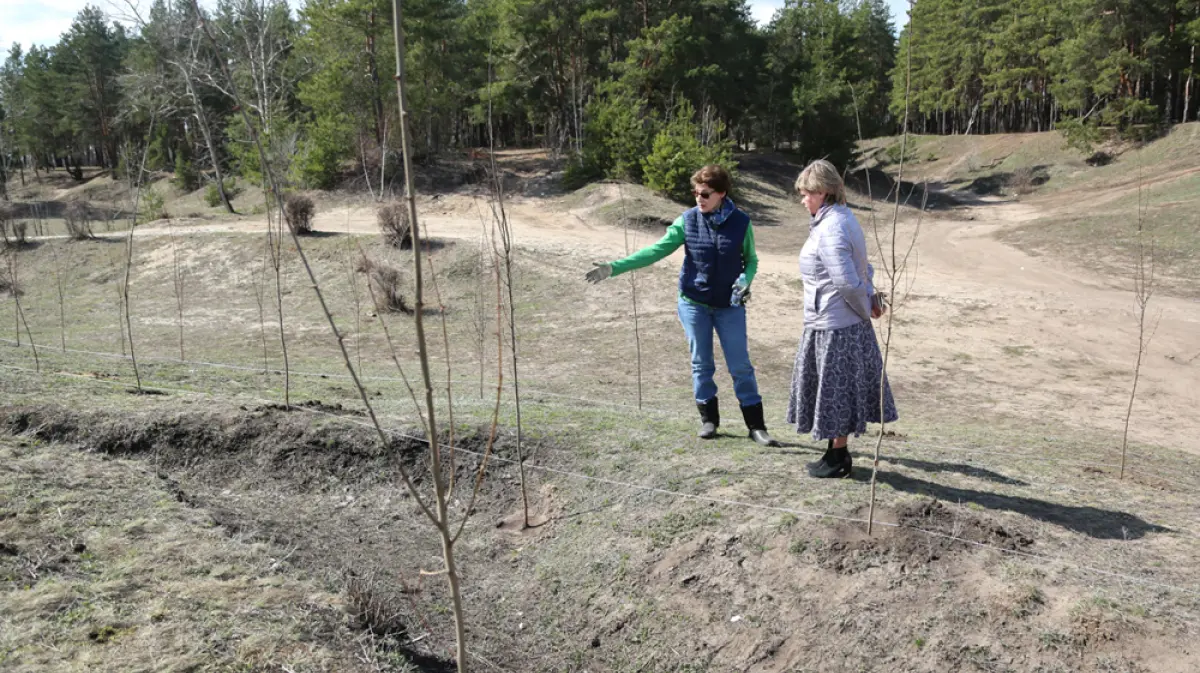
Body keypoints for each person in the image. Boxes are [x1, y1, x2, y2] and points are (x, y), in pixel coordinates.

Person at [585, 165, 779, 447]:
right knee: (701, 363)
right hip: (693, 303)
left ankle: (756, 426)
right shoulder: (687, 221)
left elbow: (751, 260)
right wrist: (614, 268)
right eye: (696, 192)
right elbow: (656, 250)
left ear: (721, 194)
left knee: (740, 366)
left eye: (705, 193)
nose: (698, 198)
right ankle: (709, 420)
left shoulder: (741, 222)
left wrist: (745, 281)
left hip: (729, 305)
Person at [786, 159, 898, 478]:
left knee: (837, 394)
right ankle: (835, 453)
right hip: (834, 320)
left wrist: (866, 307)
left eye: (806, 193)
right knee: (838, 393)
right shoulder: (838, 219)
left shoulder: (832, 226)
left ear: (822, 192)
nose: (803, 199)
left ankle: (838, 460)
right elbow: (864, 269)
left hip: (837, 325)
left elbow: (848, 281)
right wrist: (870, 300)